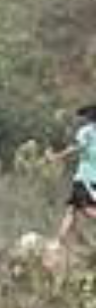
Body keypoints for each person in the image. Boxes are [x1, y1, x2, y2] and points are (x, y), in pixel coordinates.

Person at [61, 102, 96, 249]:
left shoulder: (85, 131)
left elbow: (77, 147)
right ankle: (61, 240)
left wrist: (58, 155)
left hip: (85, 176)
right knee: (72, 209)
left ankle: (63, 241)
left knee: (83, 207)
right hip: (92, 176)